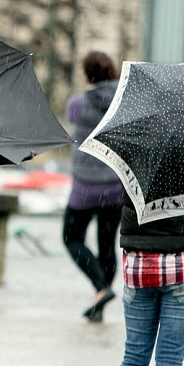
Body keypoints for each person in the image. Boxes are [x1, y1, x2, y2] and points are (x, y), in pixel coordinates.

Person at [114, 195, 184, 366]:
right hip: (183, 265)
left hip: (139, 267)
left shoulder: (134, 166)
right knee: (170, 361)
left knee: (133, 359)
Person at [62, 50, 124, 323]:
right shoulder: (124, 104)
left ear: (88, 75)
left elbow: (71, 112)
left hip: (85, 187)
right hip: (114, 186)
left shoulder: (78, 105)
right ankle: (103, 293)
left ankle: (100, 287)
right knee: (107, 244)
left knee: (72, 237)